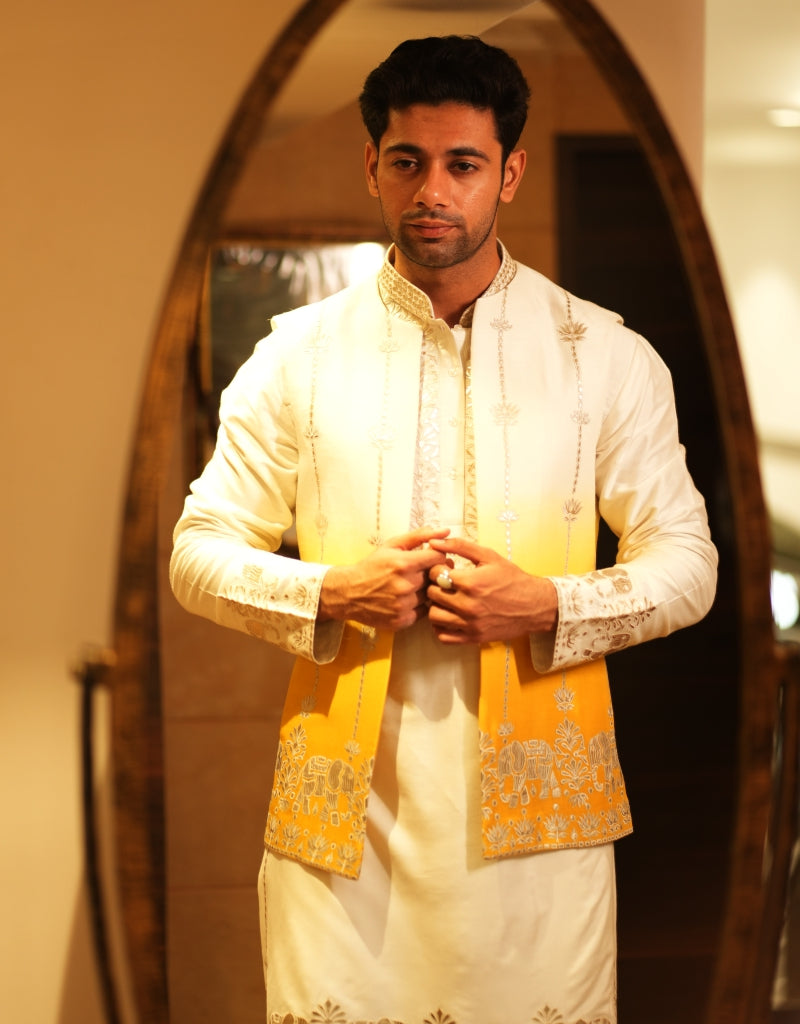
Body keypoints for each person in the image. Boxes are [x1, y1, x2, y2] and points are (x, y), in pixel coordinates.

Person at [170, 34, 718, 1024]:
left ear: (506, 173)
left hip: (536, 841)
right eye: (406, 161)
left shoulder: (602, 354)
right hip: (344, 830)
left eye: (461, 163)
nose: (433, 189)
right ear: (370, 168)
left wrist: (545, 602)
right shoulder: (296, 357)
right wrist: (328, 590)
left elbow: (687, 567)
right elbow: (195, 554)